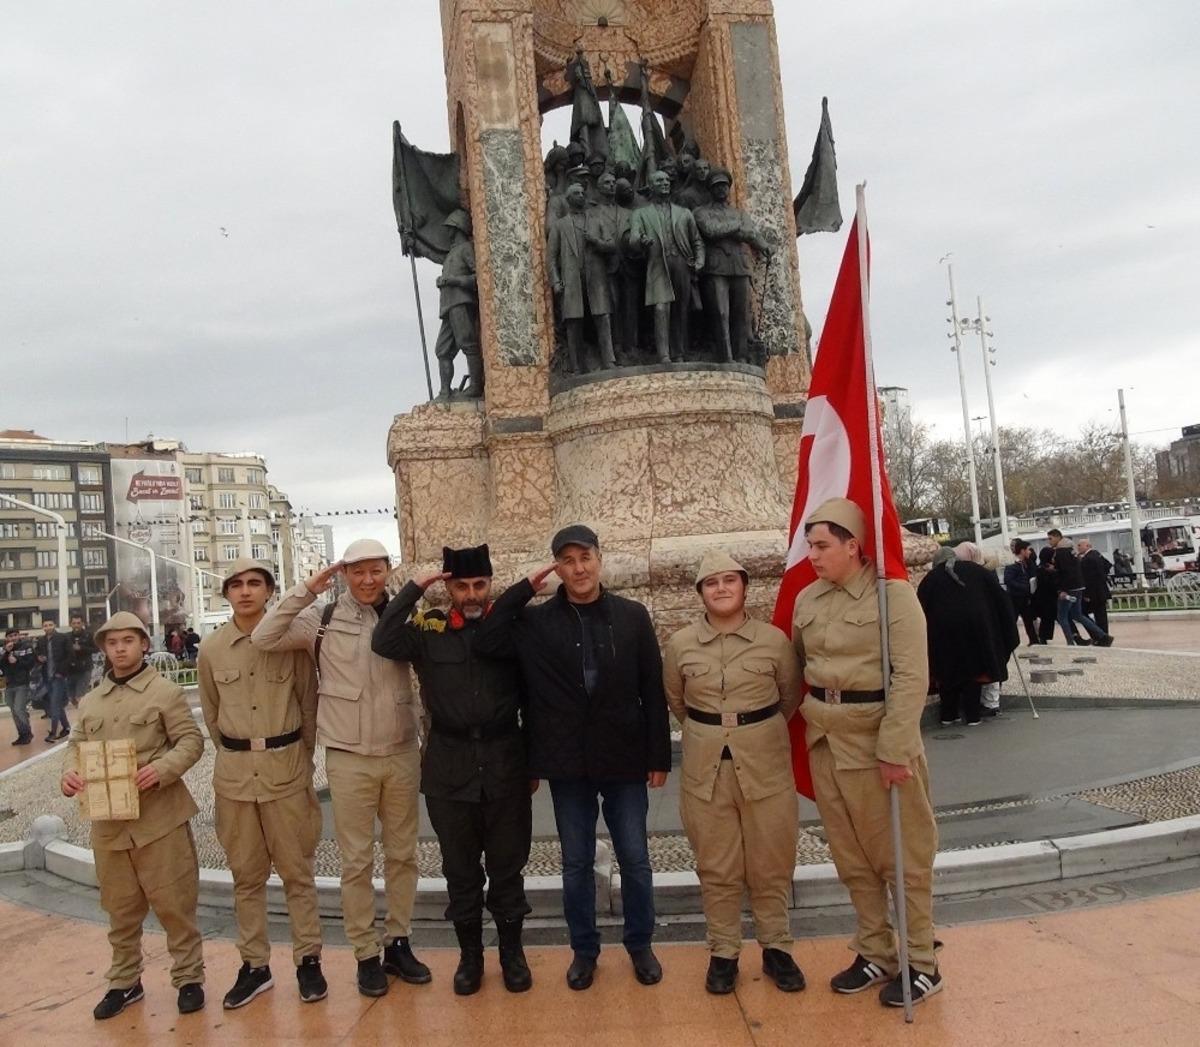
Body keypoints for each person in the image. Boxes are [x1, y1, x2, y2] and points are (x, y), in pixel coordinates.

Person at [474, 524, 671, 991]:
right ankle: (584, 950)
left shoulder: (632, 616)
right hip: (567, 762)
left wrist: (658, 754)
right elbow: (487, 640)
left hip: (624, 755)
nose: (579, 568)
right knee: (576, 862)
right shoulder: (537, 622)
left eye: (585, 558)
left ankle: (640, 943)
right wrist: (525, 588)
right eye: (568, 560)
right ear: (557, 568)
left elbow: (652, 689)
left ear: (599, 560)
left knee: (636, 858)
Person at [252, 539, 430, 998]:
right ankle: (366, 954)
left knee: (403, 854)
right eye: (358, 572)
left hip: (400, 749)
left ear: (388, 571)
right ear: (345, 575)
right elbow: (264, 636)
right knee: (356, 860)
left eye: (376, 571)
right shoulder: (322, 619)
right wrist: (307, 590)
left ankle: (399, 941)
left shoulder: (408, 612)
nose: (368, 580)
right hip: (349, 754)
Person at [791, 498, 942, 1006]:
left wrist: (896, 748)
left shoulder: (892, 597)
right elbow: (798, 670)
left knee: (902, 858)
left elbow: (911, 677)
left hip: (877, 747)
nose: (811, 555)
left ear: (852, 546)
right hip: (825, 744)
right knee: (852, 860)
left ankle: (922, 960)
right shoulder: (807, 600)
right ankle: (876, 950)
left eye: (821, 545)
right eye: (810, 545)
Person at [372, 544, 533, 996]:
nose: (471, 594)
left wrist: (533, 761)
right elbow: (383, 640)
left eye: (479, 584)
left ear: (490, 584)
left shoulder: (511, 630)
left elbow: (535, 697)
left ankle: (512, 955)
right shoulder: (430, 631)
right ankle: (470, 958)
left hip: (504, 761)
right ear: (449, 589)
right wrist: (414, 587)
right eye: (461, 586)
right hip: (449, 767)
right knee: (460, 872)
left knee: (507, 868)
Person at [663, 551, 804, 995]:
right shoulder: (682, 644)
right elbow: (678, 703)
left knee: (771, 861)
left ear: (744, 587)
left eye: (729, 580)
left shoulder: (774, 641)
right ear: (700, 593)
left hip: (765, 765)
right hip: (707, 770)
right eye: (711, 583)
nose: (721, 588)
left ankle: (777, 947)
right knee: (717, 864)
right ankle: (724, 952)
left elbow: (790, 696)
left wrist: (751, 728)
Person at [60, 611, 206, 1020]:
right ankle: (125, 982)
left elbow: (191, 742)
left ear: (144, 644)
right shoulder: (91, 700)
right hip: (109, 823)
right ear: (104, 649)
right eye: (112, 643)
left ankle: (189, 977)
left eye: (128, 640)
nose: (120, 648)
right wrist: (69, 774)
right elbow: (75, 743)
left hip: (159, 819)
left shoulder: (164, 692)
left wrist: (160, 770)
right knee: (119, 909)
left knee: (176, 904)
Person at [198, 559, 325, 1009]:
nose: (246, 591)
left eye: (255, 583)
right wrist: (238, 753)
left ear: (270, 591)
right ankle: (255, 966)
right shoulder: (211, 649)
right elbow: (212, 715)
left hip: (286, 770)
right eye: (236, 584)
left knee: (297, 872)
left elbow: (308, 707)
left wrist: (297, 759)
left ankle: (309, 960)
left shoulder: (290, 644)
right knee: (245, 877)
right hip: (234, 779)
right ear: (226, 593)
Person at [919, 547, 1019, 726]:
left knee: (947, 673)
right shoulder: (977, 571)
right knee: (973, 673)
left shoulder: (931, 578)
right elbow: (1002, 600)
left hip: (942, 633)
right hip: (976, 631)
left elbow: (920, 608)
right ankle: (973, 716)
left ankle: (949, 715)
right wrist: (1002, 627)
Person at [693, 167, 773, 363]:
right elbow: (711, 231)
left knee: (741, 314)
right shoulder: (701, 212)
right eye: (717, 186)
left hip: (739, 265)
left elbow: (751, 233)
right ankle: (725, 356)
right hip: (716, 267)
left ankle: (742, 356)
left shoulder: (739, 213)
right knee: (721, 313)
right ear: (710, 189)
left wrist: (764, 246)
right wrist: (737, 228)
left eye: (724, 186)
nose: (721, 190)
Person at [627, 169, 705, 363]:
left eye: (666, 180)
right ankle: (664, 354)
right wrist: (641, 241)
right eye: (659, 181)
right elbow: (633, 237)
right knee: (661, 308)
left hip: (681, 264)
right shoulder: (641, 213)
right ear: (651, 186)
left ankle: (679, 353)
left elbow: (697, 241)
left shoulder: (684, 213)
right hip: (657, 264)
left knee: (681, 309)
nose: (665, 183)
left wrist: (699, 261)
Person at [548, 181, 617, 372]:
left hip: (596, 278)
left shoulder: (597, 220)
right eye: (576, 193)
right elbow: (551, 257)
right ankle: (577, 366)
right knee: (574, 322)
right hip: (571, 281)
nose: (581, 196)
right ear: (569, 199)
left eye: (582, 193)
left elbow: (611, 245)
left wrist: (596, 242)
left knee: (603, 317)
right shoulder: (560, 226)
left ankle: (609, 360)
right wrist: (555, 282)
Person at [433, 209, 482, 399]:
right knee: (442, 350)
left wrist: (454, 281)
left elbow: (478, 277)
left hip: (461, 302)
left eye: (450, 229)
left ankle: (476, 386)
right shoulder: (451, 253)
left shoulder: (465, 249)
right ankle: (445, 391)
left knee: (467, 344)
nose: (447, 233)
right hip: (448, 306)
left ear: (457, 228)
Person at [1046, 530, 1113, 647]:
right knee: (1078, 614)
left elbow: (1065, 572)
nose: (1049, 541)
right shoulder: (1071, 550)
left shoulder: (1061, 552)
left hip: (1069, 588)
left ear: (1057, 537)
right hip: (1079, 586)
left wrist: (1061, 589)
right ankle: (1103, 636)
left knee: (1062, 616)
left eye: (1050, 538)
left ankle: (1070, 642)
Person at [35, 617, 72, 741]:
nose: (48, 627)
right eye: (45, 625)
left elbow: (70, 656)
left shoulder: (63, 638)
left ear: (54, 625)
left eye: (50, 624)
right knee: (57, 704)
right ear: (43, 627)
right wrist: (39, 658)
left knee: (54, 704)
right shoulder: (41, 641)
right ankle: (66, 727)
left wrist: (61, 672)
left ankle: (53, 732)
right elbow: (37, 655)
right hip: (47, 676)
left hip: (59, 676)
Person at [2, 626, 38, 746]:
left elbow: (31, 663)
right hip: (9, 684)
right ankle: (21, 735)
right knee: (14, 711)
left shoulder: (27, 647)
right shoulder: (4, 649)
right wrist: (6, 652)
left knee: (19, 709)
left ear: (19, 635)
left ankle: (28, 733)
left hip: (22, 683)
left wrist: (17, 660)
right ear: (6, 638)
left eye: (15, 635)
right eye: (10, 636)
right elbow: (1, 666)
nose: (13, 638)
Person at [1003, 541, 1039, 646]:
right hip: (1015, 598)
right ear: (1022, 550)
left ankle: (1034, 641)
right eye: (1028, 550)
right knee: (1012, 621)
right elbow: (1008, 580)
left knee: (1028, 619)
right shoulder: (1012, 564)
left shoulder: (1027, 563)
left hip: (1025, 597)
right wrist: (1024, 587)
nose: (1029, 552)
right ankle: (1008, 641)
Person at [1076, 539, 1113, 635]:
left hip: (1094, 593)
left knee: (1083, 613)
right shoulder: (1097, 554)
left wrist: (1087, 594)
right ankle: (1103, 634)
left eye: (1080, 545)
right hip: (1101, 590)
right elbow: (1108, 565)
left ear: (1087, 546)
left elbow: (1089, 579)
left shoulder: (1088, 559)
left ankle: (1099, 634)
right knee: (1101, 615)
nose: (1078, 547)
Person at [66, 614, 98, 706]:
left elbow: (96, 649)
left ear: (82, 624)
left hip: (84, 669)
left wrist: (81, 648)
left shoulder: (89, 635)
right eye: (74, 623)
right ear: (71, 624)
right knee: (71, 697)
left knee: (80, 696)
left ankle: (83, 717)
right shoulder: (67, 637)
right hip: (70, 670)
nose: (76, 625)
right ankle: (84, 712)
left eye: (78, 623)